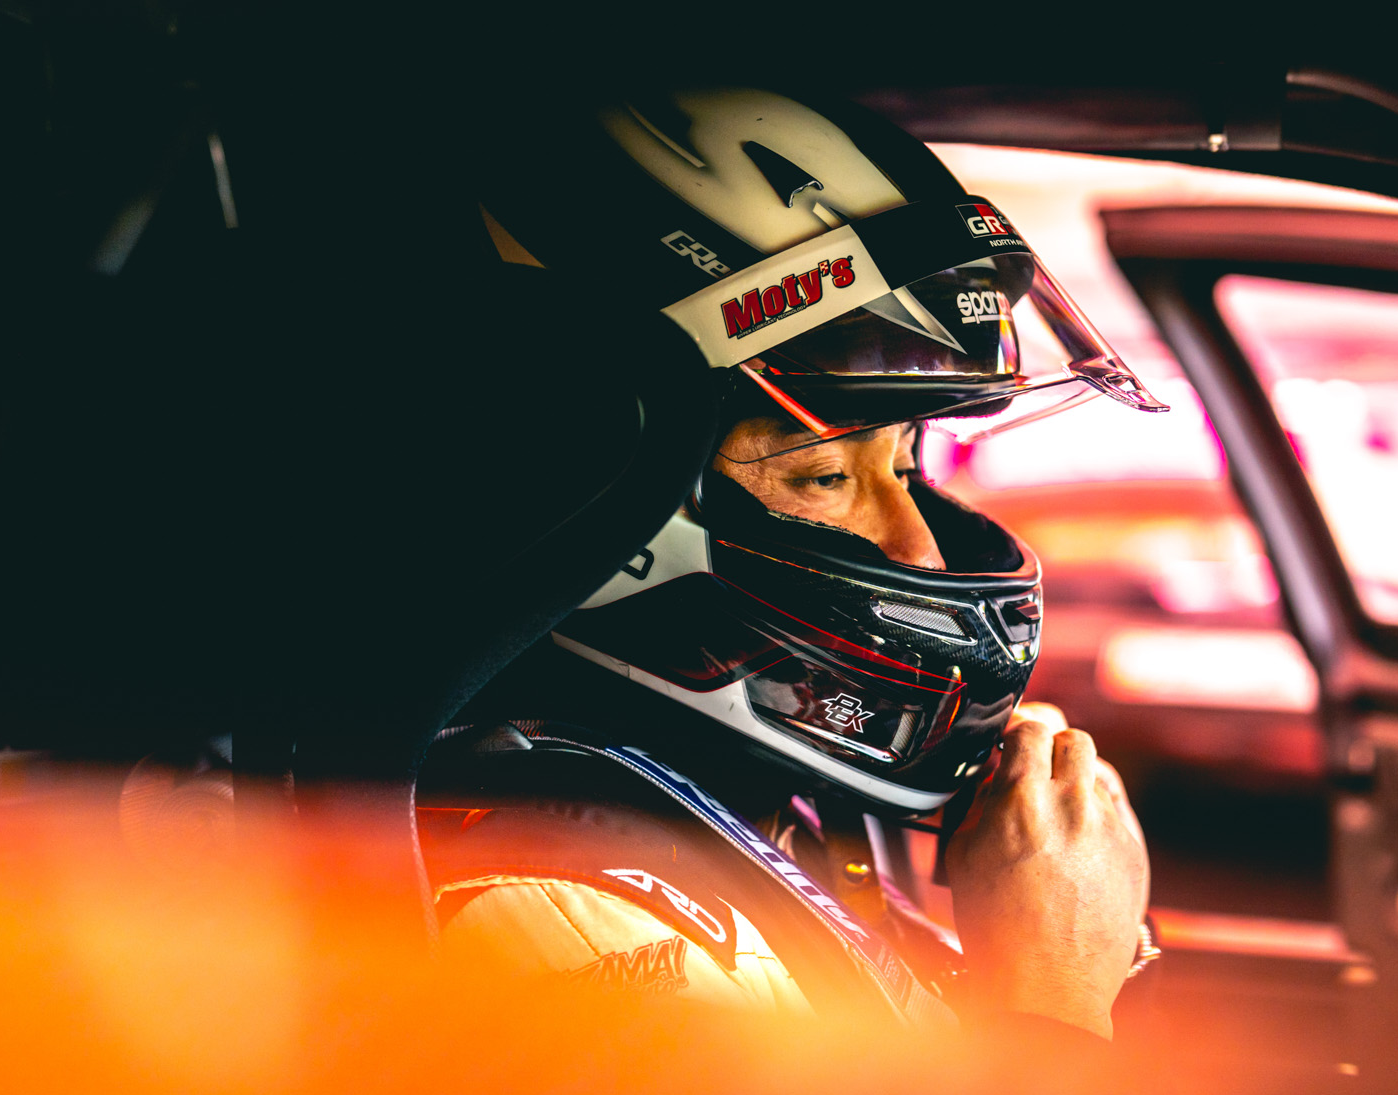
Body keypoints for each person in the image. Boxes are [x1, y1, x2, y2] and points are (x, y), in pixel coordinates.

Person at [419, 84, 1164, 1046]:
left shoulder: (748, 797)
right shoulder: (564, 917)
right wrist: (1053, 997)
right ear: (597, 474)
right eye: (824, 474)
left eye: (905, 464)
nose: (923, 550)